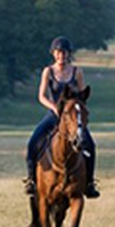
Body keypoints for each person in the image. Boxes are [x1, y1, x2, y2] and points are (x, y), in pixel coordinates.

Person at [24, 36, 100, 199]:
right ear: (53, 54)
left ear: (68, 54)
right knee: (33, 142)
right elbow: (41, 96)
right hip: (54, 114)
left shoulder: (76, 72)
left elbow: (82, 95)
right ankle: (31, 179)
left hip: (72, 116)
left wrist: (77, 110)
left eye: (64, 53)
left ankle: (89, 183)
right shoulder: (48, 71)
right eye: (59, 52)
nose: (62, 56)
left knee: (90, 145)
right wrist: (54, 108)